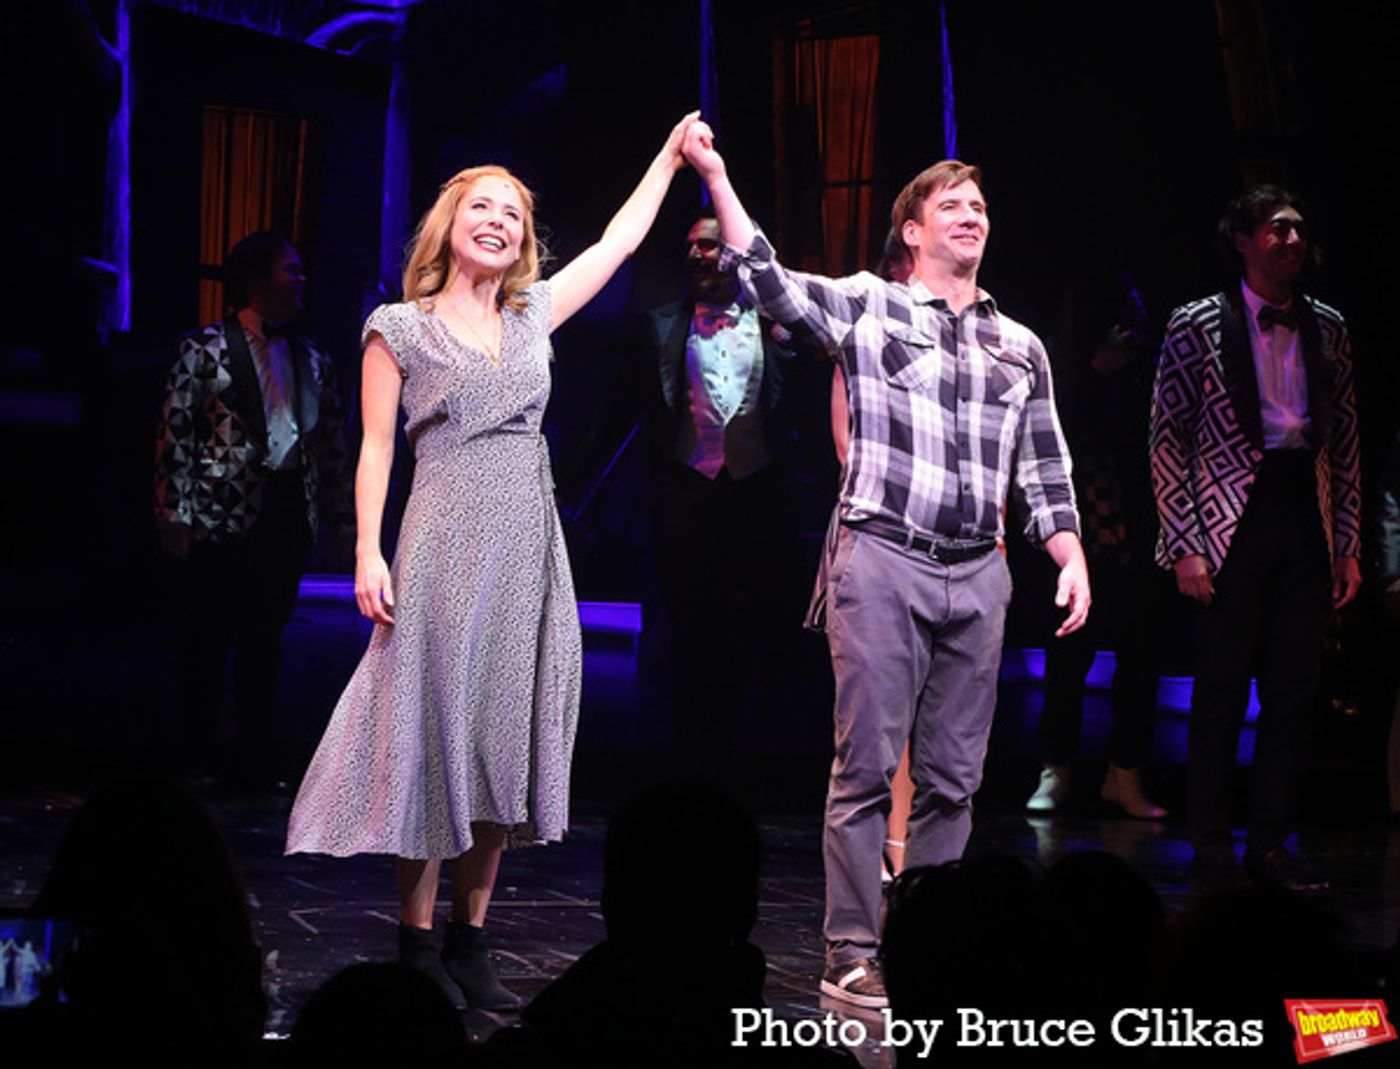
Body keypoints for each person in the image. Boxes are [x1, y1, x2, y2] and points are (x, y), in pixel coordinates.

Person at [285, 113, 702, 1010]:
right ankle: (415, 939)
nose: (499, 223)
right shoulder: (397, 325)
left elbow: (621, 242)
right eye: (483, 206)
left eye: (513, 215)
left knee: (501, 734)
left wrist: (668, 158)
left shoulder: (532, 314)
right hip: (442, 535)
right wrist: (366, 549)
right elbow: (375, 451)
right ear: (449, 223)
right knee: (433, 727)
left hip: (526, 538)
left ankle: (472, 938)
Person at [683, 123, 1089, 1008]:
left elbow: (1044, 464)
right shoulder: (871, 305)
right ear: (912, 229)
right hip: (883, 556)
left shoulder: (1020, 345)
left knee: (953, 778)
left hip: (978, 573)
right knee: (866, 767)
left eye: (980, 206)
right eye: (952, 205)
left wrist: (1069, 552)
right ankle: (850, 949)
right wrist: (716, 171)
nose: (972, 216)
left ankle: (929, 941)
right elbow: (767, 275)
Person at [1150, 184, 1362, 892]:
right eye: (1276, 229)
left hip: (1303, 508)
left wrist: (1349, 542)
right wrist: (1183, 538)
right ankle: (1210, 843)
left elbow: (1349, 443)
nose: (1291, 241)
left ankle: (1269, 843)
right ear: (1242, 240)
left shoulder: (1327, 325)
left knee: (1293, 690)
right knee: (1218, 689)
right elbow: (1168, 435)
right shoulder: (1197, 322)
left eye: (1298, 229)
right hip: (1228, 517)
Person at [155, 231, 355, 781]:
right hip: (221, 516)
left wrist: (344, 522)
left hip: (286, 513)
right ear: (256, 280)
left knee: (265, 640)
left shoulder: (312, 356)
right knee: (207, 638)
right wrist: (174, 512)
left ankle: (253, 756)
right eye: (290, 270)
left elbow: (332, 443)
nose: (301, 279)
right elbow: (177, 435)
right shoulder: (204, 349)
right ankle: (196, 754)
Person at [632, 214, 801, 774]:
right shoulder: (662, 325)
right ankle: (689, 753)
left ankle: (746, 755)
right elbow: (619, 413)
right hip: (686, 490)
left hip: (755, 494)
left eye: (710, 245)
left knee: (751, 626)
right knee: (688, 626)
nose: (697, 255)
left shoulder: (778, 326)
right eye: (691, 247)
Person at [1026, 271, 1169, 819]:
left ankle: (1125, 773)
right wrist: (1095, 371)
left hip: (1138, 528)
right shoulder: (1059, 364)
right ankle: (1055, 766)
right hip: (1078, 524)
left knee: (1141, 655)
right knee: (1066, 656)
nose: (1127, 331)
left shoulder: (1149, 368)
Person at [824, 227, 915, 879]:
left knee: (927, 713)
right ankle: (878, 848)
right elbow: (847, 446)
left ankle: (912, 851)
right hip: (879, 533)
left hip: (952, 548)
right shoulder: (859, 342)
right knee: (875, 708)